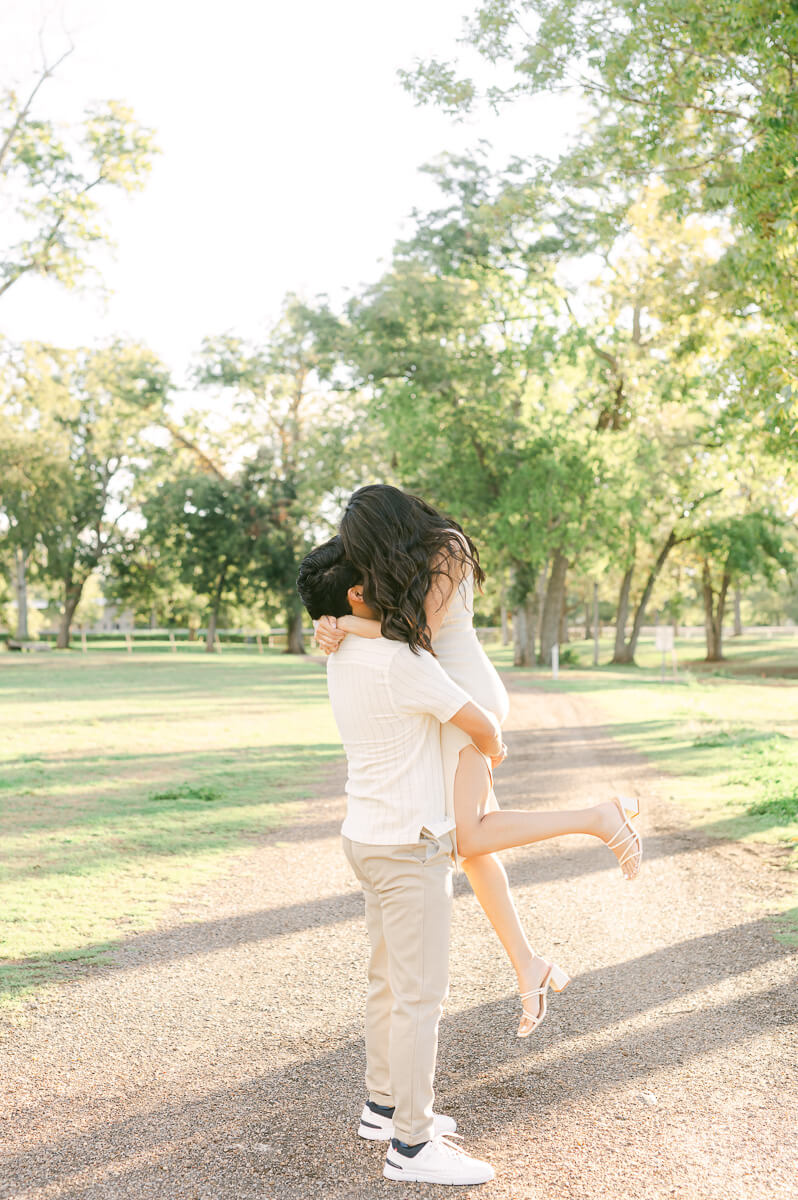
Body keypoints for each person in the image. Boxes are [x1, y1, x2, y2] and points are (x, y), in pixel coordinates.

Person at [314, 484, 642, 1037]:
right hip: (445, 699)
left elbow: (417, 635)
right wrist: (332, 621)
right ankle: (528, 965)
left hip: (466, 698)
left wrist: (345, 625)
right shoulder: (415, 553)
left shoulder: (447, 548)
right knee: (472, 852)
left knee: (467, 837)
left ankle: (600, 817)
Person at [297, 536, 499, 1186]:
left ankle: (382, 1107)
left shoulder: (342, 649)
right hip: (410, 847)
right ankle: (412, 1144)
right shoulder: (402, 660)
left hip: (367, 836)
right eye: (375, 572)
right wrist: (493, 748)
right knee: (420, 997)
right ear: (358, 594)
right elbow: (482, 726)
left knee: (387, 981)